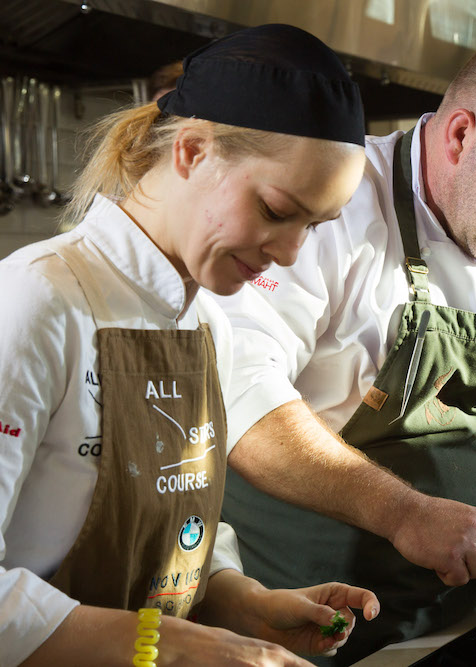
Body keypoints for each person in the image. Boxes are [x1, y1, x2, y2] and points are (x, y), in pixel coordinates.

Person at [212, 36, 476, 665]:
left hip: (450, 623)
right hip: (294, 619)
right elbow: (241, 391)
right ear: (460, 135)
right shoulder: (331, 205)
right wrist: (403, 512)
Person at [0, 24, 379, 667]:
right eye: (276, 209)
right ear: (193, 152)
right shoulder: (39, 299)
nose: (289, 253)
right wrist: (165, 646)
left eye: (314, 227)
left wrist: (239, 601)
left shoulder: (208, 321)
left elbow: (172, 521)